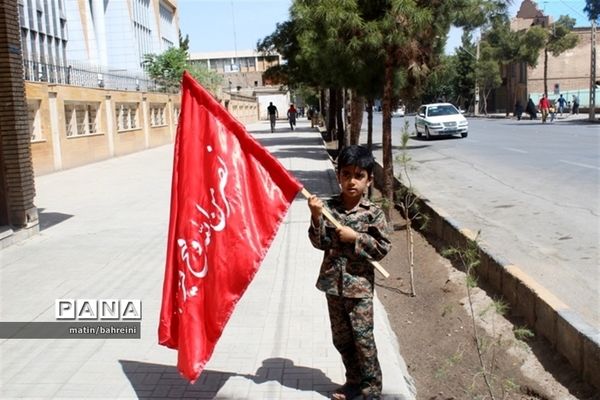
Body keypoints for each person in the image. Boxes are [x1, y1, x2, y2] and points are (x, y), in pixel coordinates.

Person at [307, 145, 391, 400]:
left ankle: (372, 390)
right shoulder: (330, 208)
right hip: (334, 286)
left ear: (368, 179)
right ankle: (353, 382)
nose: (351, 181)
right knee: (342, 340)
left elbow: (382, 248)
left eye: (358, 175)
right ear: (338, 176)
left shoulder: (372, 213)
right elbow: (319, 242)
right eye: (346, 175)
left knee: (363, 342)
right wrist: (315, 217)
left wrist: (357, 238)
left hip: (359, 289)